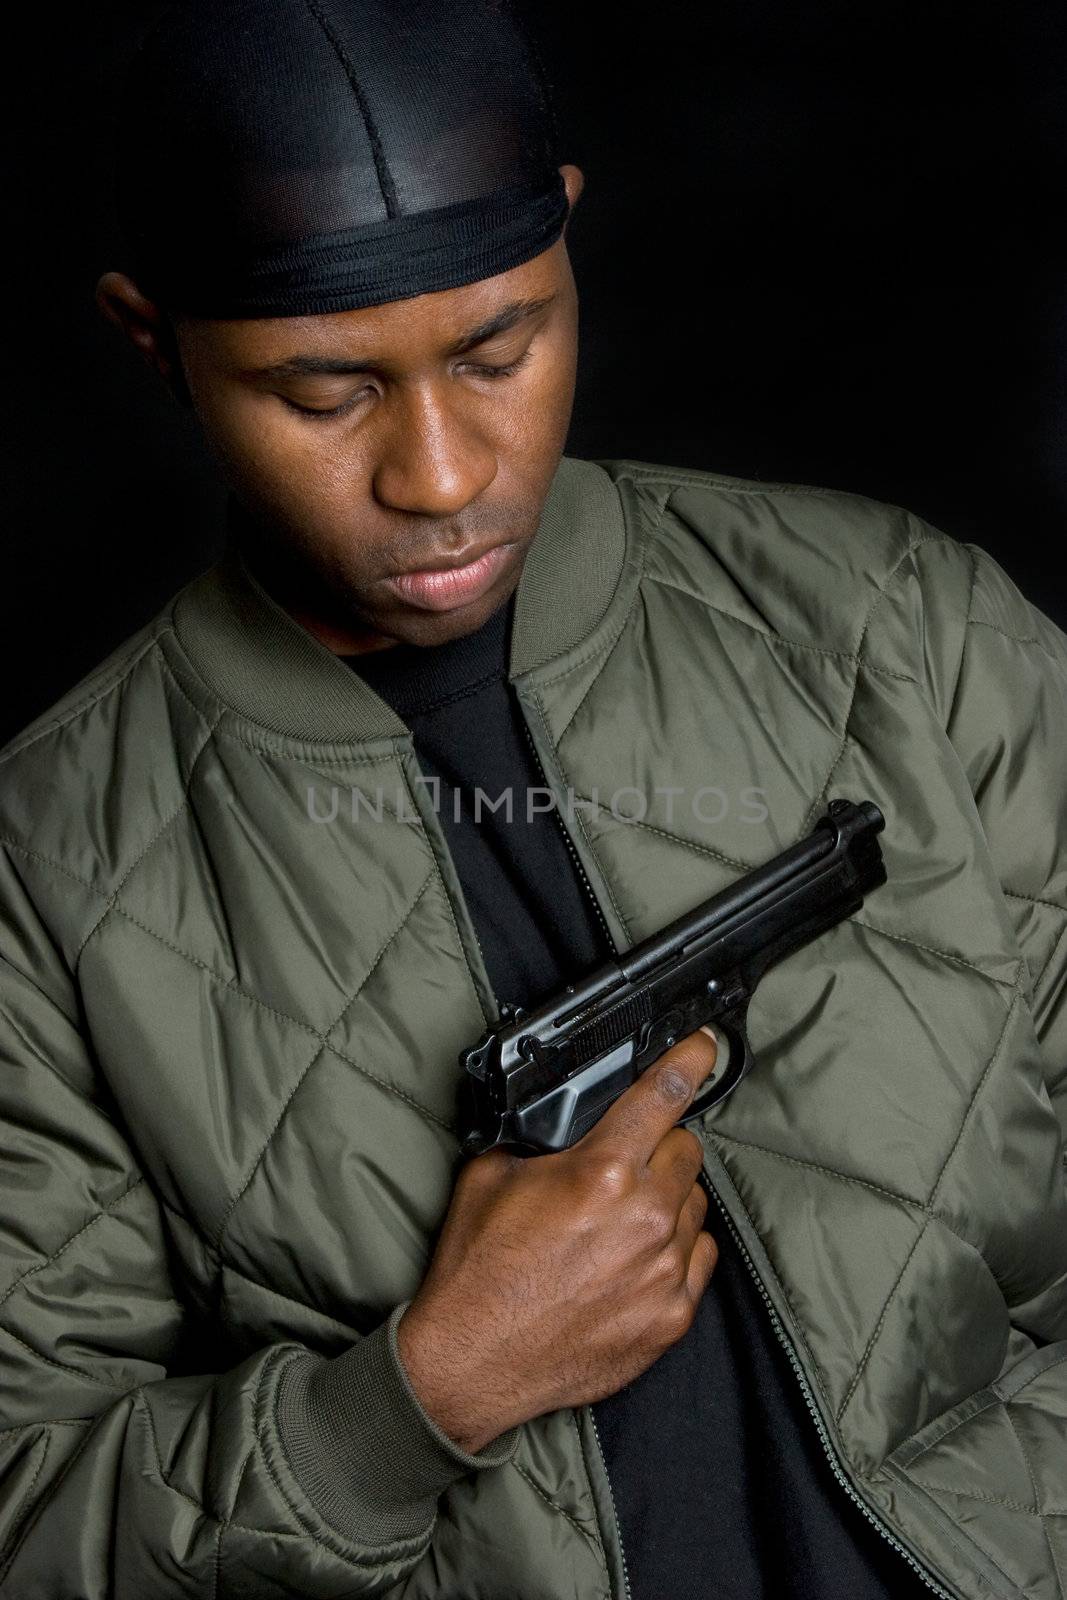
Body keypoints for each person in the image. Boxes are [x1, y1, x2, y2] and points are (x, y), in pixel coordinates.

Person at [1, 0, 1064, 1596]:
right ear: (154, 340)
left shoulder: (910, 633)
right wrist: (413, 1404)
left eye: (502, 347)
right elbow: (28, 1517)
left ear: (569, 238)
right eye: (323, 393)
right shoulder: (44, 860)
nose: (438, 472)